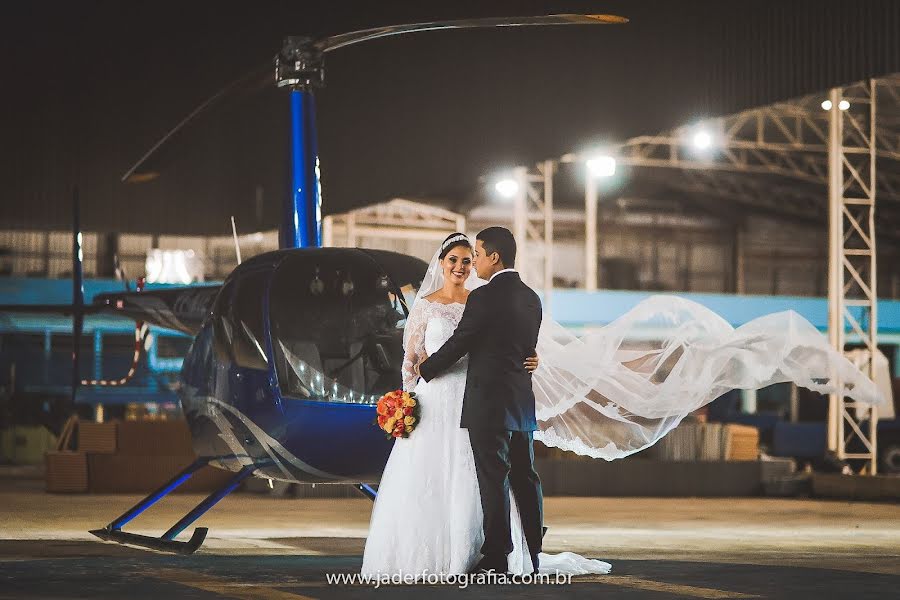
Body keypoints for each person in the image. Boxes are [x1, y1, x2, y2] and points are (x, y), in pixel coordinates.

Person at [361, 228, 885, 578]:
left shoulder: (482, 297)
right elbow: (519, 348)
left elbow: (462, 346)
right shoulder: (531, 297)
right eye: (457, 259)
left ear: (490, 257)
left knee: (489, 477)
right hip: (515, 400)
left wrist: (426, 371)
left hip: (480, 399)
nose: (466, 263)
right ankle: (529, 548)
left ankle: (496, 554)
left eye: (471, 255)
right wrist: (521, 363)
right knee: (522, 475)